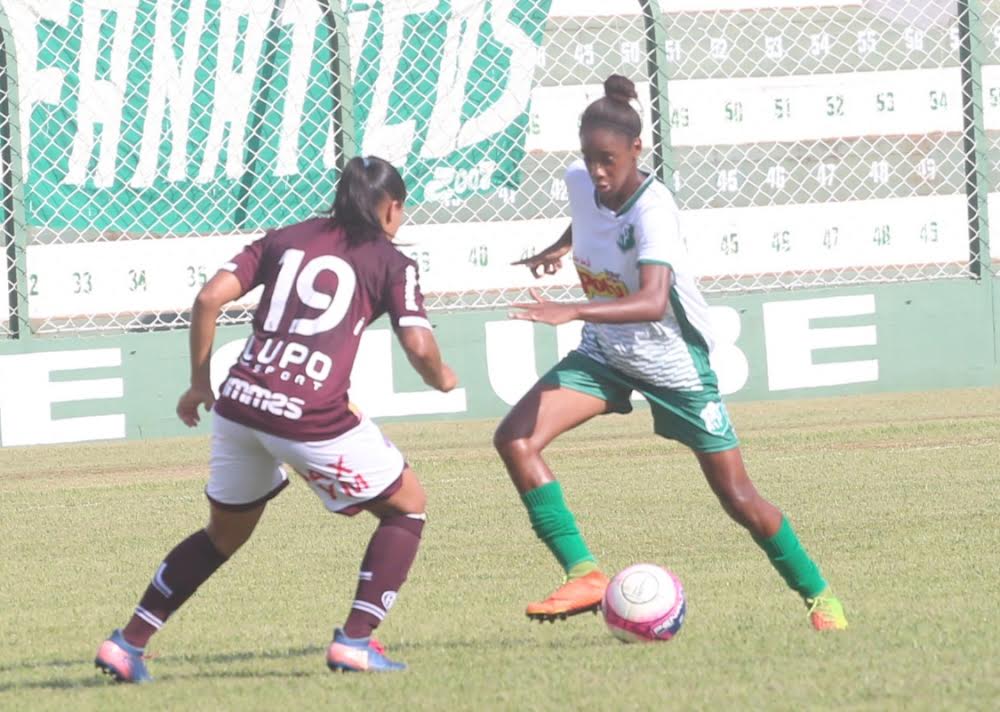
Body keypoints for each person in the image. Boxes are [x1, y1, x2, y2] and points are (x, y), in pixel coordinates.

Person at [494, 75, 847, 631]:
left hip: (673, 363)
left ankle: (819, 595)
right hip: (607, 353)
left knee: (737, 496)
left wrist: (574, 308)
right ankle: (584, 573)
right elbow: (589, 213)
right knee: (515, 439)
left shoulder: (655, 209)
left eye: (609, 159)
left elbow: (654, 299)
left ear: (637, 149)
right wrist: (560, 246)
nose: (598, 172)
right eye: (589, 159)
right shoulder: (583, 183)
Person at [95, 156, 457, 682]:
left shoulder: (286, 237)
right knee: (407, 507)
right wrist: (442, 377)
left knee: (222, 537)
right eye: (401, 211)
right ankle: (356, 642)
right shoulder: (391, 261)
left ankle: (127, 645)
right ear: (391, 207)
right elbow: (419, 343)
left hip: (239, 403)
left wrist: (200, 383)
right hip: (308, 417)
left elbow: (207, 299)